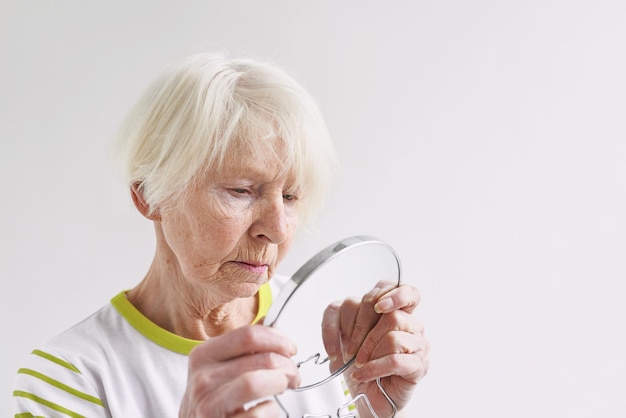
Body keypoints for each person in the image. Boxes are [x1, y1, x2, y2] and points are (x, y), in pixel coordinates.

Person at [13, 52, 429, 417]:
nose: (277, 229)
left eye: (290, 195)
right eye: (241, 191)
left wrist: (370, 412)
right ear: (149, 197)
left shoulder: (334, 334)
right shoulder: (68, 378)